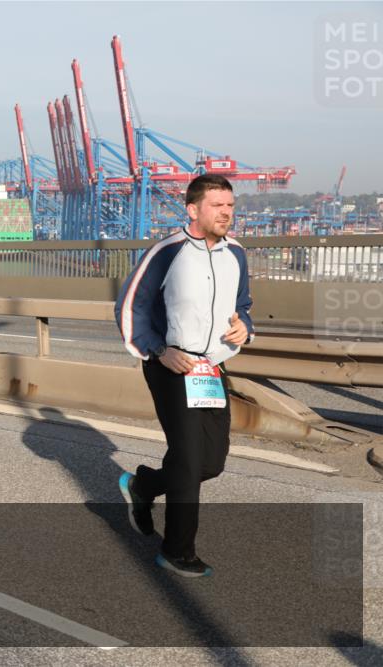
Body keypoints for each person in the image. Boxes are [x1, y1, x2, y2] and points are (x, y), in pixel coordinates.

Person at [114, 174, 253, 578]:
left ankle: (144, 486)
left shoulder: (236, 254)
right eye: (217, 206)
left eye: (230, 205)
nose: (226, 212)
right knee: (190, 461)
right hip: (172, 366)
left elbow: (243, 303)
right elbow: (129, 307)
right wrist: (159, 350)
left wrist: (245, 324)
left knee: (212, 463)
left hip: (213, 369)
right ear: (193, 210)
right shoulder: (167, 251)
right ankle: (176, 551)